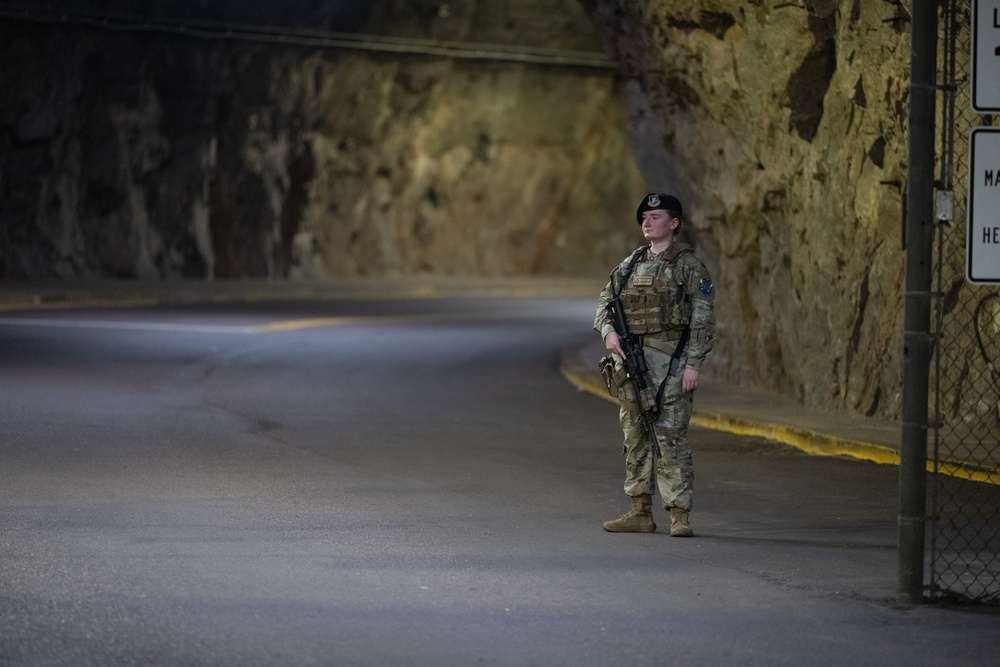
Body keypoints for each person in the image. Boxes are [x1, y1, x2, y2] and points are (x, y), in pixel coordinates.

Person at [594, 193, 716, 537]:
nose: (647, 222)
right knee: (634, 437)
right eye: (644, 217)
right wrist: (608, 334)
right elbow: (605, 303)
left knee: (671, 438)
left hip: (672, 363)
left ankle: (679, 514)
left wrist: (693, 365)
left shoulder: (689, 267)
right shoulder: (630, 264)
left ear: (674, 223)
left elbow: (703, 319)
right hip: (632, 365)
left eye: (656, 216)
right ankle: (640, 510)